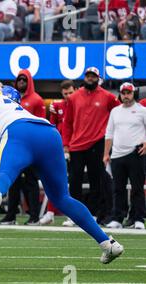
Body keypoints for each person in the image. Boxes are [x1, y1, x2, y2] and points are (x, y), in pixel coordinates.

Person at [0, 85, 124, 265]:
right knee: (62, 197)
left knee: (3, 173)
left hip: (18, 133)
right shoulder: (14, 112)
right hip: (49, 134)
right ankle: (107, 243)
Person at [62, 67, 119, 227]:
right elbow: (67, 123)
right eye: (88, 76)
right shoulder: (74, 97)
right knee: (74, 181)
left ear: (98, 78)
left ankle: (92, 214)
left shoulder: (107, 96)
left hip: (97, 143)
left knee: (96, 181)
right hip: (76, 145)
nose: (90, 78)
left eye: (93, 76)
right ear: (84, 77)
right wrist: (66, 144)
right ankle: (74, 216)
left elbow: (120, 112)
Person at [0, 69, 45, 225]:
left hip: (30, 147)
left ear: (29, 82)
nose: (21, 83)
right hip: (14, 146)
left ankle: (34, 216)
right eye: (19, 80)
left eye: (24, 80)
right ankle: (11, 215)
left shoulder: (37, 100)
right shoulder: (12, 99)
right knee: (13, 182)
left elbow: (40, 122)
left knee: (31, 182)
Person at [103, 82, 146, 230]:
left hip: (136, 152)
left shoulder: (142, 110)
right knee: (118, 188)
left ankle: (138, 218)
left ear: (133, 93)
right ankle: (117, 218)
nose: (126, 96)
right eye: (123, 93)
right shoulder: (115, 111)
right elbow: (109, 133)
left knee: (137, 188)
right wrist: (105, 154)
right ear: (120, 94)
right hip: (117, 154)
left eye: (128, 93)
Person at [40, 80, 75, 225]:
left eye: (71, 93)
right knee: (53, 179)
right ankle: (50, 211)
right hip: (59, 147)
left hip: (75, 146)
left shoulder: (78, 104)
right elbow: (52, 126)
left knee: (72, 182)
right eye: (65, 93)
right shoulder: (57, 105)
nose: (68, 96)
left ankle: (72, 215)